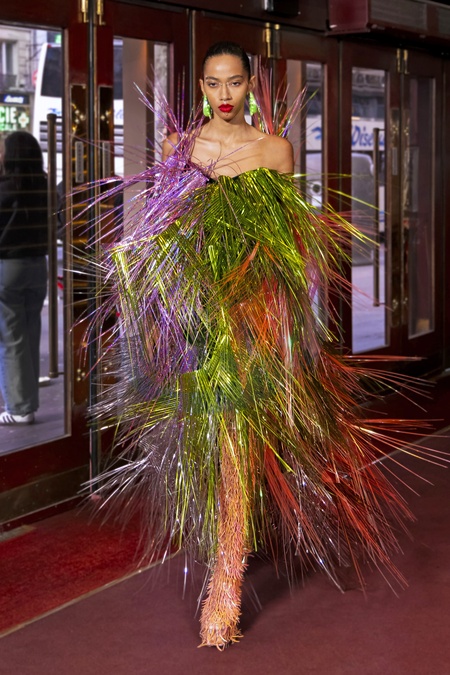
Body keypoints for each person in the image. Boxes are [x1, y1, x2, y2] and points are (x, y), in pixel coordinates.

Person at [88, 42, 430, 649]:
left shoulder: (275, 151)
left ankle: (227, 575)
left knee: (241, 431)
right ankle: (232, 550)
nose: (224, 94)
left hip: (257, 312)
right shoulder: (179, 149)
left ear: (250, 85)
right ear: (200, 88)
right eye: (213, 83)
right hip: (199, 312)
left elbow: (291, 244)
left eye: (235, 82)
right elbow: (164, 233)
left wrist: (293, 318)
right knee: (215, 431)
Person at [0, 131, 48, 424]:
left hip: (7, 267)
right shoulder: (43, 187)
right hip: (37, 265)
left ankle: (19, 408)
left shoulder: (4, 188)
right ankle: (27, 401)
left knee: (11, 338)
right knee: (30, 332)